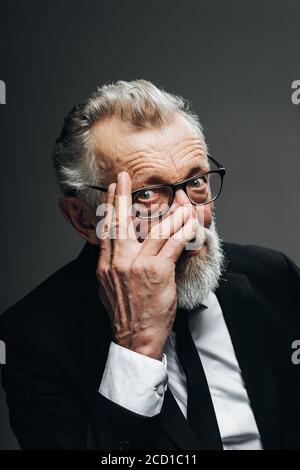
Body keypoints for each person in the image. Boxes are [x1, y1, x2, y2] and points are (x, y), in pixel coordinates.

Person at [0, 80, 299, 450]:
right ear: (83, 219)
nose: (189, 219)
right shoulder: (34, 340)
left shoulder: (275, 278)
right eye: (147, 194)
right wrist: (136, 345)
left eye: (197, 181)